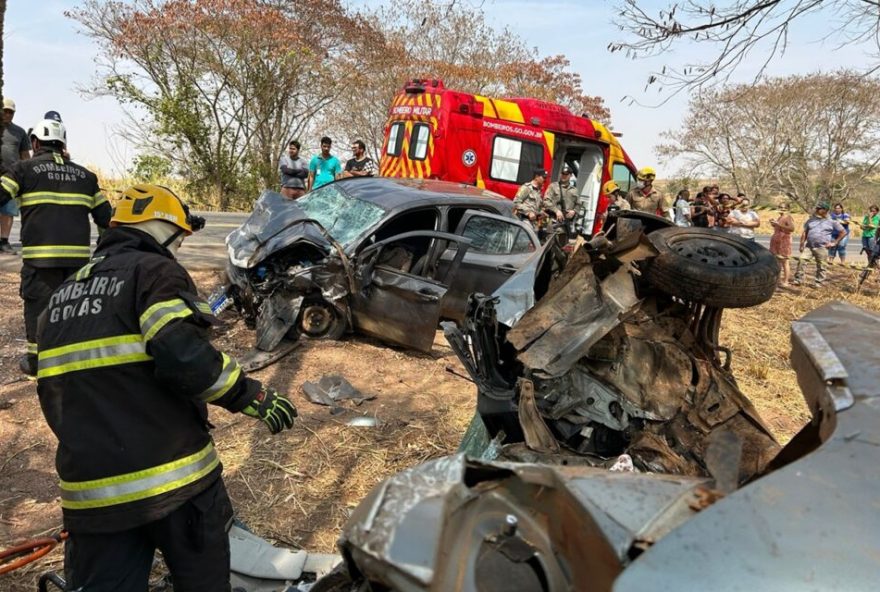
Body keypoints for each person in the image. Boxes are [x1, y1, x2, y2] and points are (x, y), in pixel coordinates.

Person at [36, 183, 297, 592]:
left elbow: (51, 394)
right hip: (175, 483)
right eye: (177, 238)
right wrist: (251, 395)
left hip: (91, 495)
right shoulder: (153, 271)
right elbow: (182, 356)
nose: (176, 249)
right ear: (161, 228)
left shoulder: (59, 298)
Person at [0, 118, 110, 376]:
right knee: (74, 308)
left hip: (40, 262)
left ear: (35, 142)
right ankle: (73, 361)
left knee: (38, 307)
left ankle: (38, 363)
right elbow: (107, 219)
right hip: (77, 264)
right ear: (63, 145)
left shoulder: (23, 170)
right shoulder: (86, 176)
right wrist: (105, 253)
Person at [1, 98, 31, 254]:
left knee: (8, 209)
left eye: (10, 112)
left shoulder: (19, 132)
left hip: (12, 177)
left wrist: (29, 172)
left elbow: (25, 155)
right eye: (4, 110)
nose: (6, 114)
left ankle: (4, 241)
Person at [794, 202, 845, 287]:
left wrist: (834, 243)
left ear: (825, 210)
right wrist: (801, 244)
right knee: (801, 260)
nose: (816, 210)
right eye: (816, 208)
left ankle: (818, 282)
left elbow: (843, 232)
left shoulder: (832, 221)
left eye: (819, 209)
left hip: (822, 247)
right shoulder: (811, 220)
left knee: (821, 266)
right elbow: (805, 232)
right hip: (809, 247)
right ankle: (798, 280)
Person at [769, 203, 795, 286]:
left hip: (784, 241)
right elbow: (779, 227)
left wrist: (779, 224)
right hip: (776, 240)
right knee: (777, 261)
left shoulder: (788, 217)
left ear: (787, 209)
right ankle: (778, 280)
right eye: (779, 207)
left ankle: (786, 281)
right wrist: (773, 223)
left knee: (785, 261)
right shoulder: (780, 217)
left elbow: (792, 228)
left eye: (783, 208)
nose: (781, 209)